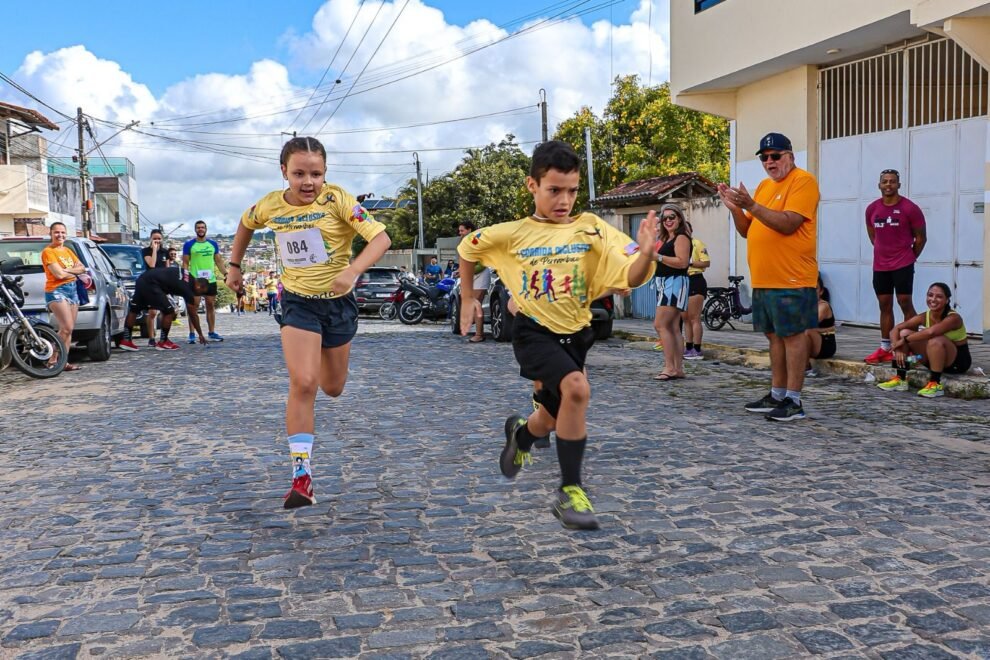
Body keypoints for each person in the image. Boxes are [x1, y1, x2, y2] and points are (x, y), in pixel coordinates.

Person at [457, 140, 657, 530]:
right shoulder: (512, 234)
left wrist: (647, 254)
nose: (564, 200)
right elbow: (468, 248)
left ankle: (521, 435)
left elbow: (628, 274)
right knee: (578, 389)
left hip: (577, 334)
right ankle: (570, 490)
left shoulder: (593, 228)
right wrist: (468, 297)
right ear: (532, 185)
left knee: (549, 417)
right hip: (533, 331)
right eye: (554, 190)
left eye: (572, 190)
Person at [226, 136, 391, 509]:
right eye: (299, 173)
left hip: (338, 304)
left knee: (332, 387)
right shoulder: (270, 204)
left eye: (315, 174)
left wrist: (353, 270)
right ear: (283, 171)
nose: (307, 182)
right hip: (298, 302)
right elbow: (245, 222)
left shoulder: (338, 200)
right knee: (303, 382)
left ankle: (306, 463)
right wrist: (235, 266)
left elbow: (381, 238)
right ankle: (302, 476)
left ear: (325, 173)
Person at [718, 132, 820, 422]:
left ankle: (794, 400)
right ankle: (777, 394)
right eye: (764, 157)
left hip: (791, 278)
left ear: (790, 156)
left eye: (776, 156)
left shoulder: (803, 181)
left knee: (793, 337)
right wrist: (736, 208)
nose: (770, 162)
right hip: (764, 278)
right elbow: (746, 230)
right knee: (774, 337)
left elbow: (788, 224)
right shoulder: (763, 186)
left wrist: (750, 205)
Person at [864, 168, 927, 364]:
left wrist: (909, 257)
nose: (888, 185)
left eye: (892, 181)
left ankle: (912, 346)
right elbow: (873, 235)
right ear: (879, 185)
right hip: (881, 266)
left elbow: (921, 238)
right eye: (885, 181)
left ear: (899, 185)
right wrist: (884, 253)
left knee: (904, 302)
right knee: (885, 305)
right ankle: (885, 347)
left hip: (903, 264)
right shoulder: (872, 209)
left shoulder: (910, 208)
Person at [877, 282, 970, 398]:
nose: (933, 299)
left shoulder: (953, 318)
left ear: (947, 300)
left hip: (957, 362)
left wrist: (904, 340)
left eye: (939, 296)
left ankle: (935, 384)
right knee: (904, 332)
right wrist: (898, 348)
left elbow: (931, 332)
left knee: (935, 339)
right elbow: (895, 329)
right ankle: (900, 378)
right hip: (932, 359)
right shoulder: (925, 315)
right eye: (930, 295)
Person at [118, 267, 208, 351]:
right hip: (153, 285)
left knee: (134, 309)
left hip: (142, 278)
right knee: (169, 312)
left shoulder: (188, 274)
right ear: (199, 286)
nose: (200, 295)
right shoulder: (188, 289)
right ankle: (163, 342)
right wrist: (200, 334)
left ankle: (126, 340)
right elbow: (193, 314)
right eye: (201, 293)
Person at [652, 203, 692, 381]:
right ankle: (677, 368)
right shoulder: (669, 238)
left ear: (679, 219)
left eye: (671, 217)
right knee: (673, 327)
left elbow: (682, 262)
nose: (668, 220)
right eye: (665, 218)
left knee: (660, 325)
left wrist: (658, 257)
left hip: (674, 284)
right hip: (667, 284)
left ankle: (669, 367)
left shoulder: (681, 237)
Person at [41, 222, 85, 372]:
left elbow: (82, 268)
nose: (60, 235)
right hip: (57, 290)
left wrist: (68, 270)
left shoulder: (67, 250)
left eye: (62, 232)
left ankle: (64, 362)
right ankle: (52, 359)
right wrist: (73, 271)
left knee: (68, 331)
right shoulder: (48, 251)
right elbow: (58, 274)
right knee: (66, 327)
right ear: (51, 234)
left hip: (72, 290)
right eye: (56, 232)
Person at [183, 220, 227, 343]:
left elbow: (218, 261)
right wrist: (186, 278)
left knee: (210, 305)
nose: (200, 229)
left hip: (210, 280)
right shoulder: (189, 245)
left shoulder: (213, 244)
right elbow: (185, 263)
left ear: (206, 229)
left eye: (202, 227)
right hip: (195, 280)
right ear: (195, 230)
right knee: (193, 307)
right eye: (198, 228)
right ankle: (192, 334)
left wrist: (225, 274)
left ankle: (211, 332)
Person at [457, 220, 491, 343]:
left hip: (480, 275)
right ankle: (478, 333)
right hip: (472, 276)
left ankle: (479, 334)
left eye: (462, 230)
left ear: (469, 230)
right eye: (459, 231)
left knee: (476, 304)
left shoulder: (478, 241)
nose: (460, 233)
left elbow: (482, 263)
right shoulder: (465, 242)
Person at [682, 221, 710, 361]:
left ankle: (697, 349)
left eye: (686, 228)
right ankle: (688, 347)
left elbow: (706, 262)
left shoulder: (697, 243)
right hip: (681, 281)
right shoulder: (677, 245)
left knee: (694, 317)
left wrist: (690, 263)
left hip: (695, 279)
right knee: (685, 317)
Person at [804, 275, 836, 377]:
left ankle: (806, 367)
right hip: (811, 340)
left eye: (815, 289)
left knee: (807, 331)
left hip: (825, 344)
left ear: (821, 291)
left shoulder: (823, 306)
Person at [141, 229, 168, 347]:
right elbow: (151, 264)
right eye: (154, 238)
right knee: (152, 312)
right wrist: (154, 251)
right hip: (151, 283)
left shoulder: (165, 252)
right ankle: (151, 337)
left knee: (165, 311)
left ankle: (164, 337)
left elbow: (167, 268)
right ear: (150, 239)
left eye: (159, 238)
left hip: (162, 284)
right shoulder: (145, 251)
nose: (157, 240)